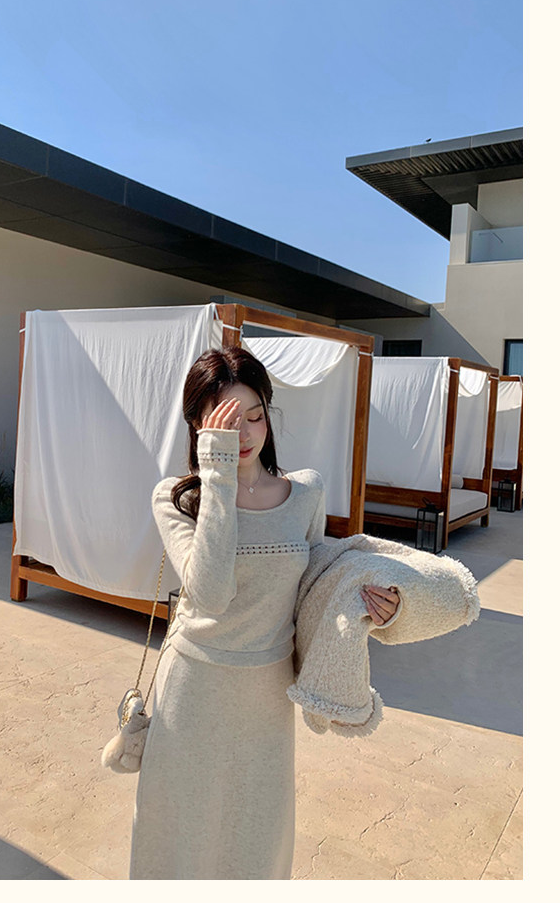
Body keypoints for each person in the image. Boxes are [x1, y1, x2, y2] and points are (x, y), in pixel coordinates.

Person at [128, 346, 399, 880]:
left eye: (255, 416)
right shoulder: (177, 499)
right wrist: (219, 475)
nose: (245, 432)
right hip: (194, 688)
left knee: (257, 839)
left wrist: (376, 607)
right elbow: (210, 594)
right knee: (178, 833)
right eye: (228, 421)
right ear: (198, 425)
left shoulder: (305, 492)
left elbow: (315, 591)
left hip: (266, 694)